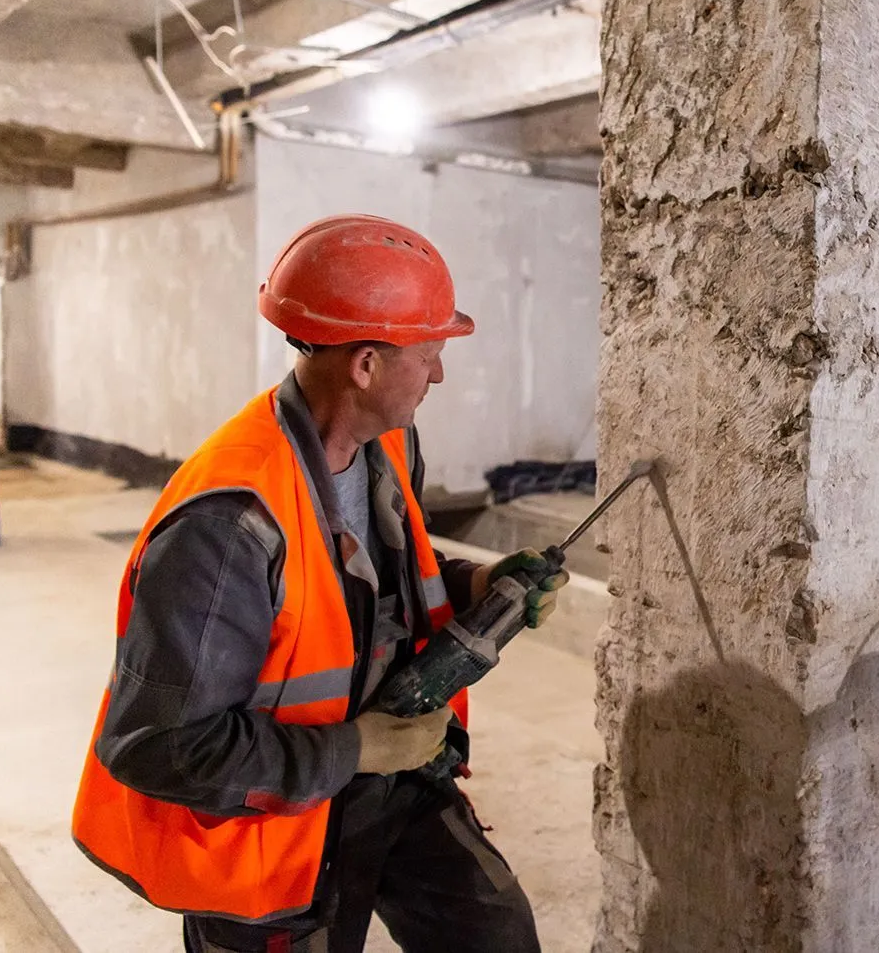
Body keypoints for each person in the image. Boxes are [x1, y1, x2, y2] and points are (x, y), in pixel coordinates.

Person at [71, 214, 568, 953]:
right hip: (276, 829)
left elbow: (372, 596)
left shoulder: (388, 444)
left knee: (496, 936)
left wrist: (479, 583)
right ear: (365, 364)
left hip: (394, 779)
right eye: (429, 352)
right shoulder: (230, 523)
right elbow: (155, 745)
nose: (439, 373)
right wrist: (354, 749)